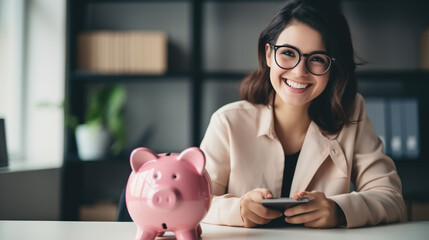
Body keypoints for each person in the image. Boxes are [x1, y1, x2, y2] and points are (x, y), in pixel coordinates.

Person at [200, 0, 405, 229]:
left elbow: (391, 198)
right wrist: (237, 211)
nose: (299, 71)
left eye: (317, 58)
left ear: (333, 68)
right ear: (269, 55)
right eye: (288, 53)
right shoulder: (227, 121)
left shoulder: (352, 113)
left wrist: (337, 211)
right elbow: (194, 201)